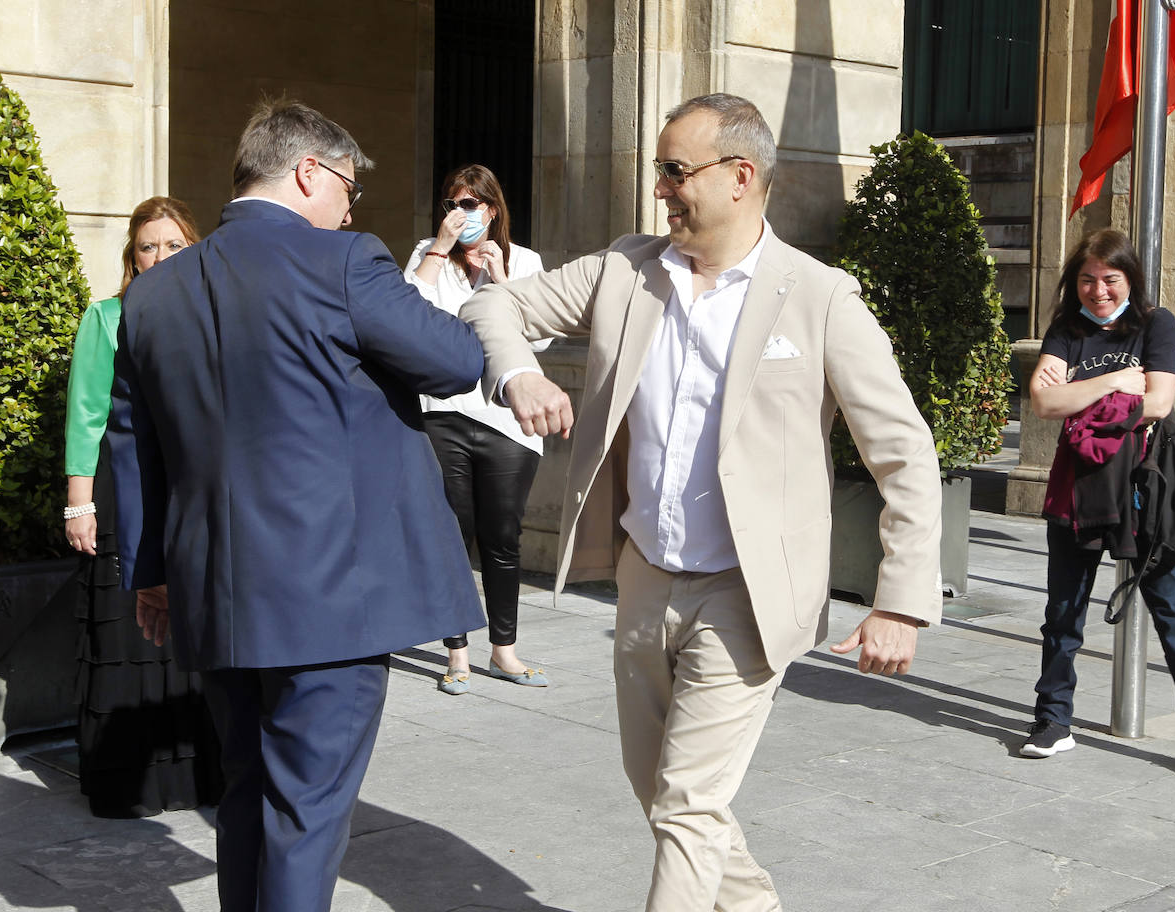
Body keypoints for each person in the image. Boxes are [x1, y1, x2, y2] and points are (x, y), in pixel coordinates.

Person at [461, 93, 943, 910]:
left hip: (747, 594)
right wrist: (521, 373)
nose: (661, 190)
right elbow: (494, 301)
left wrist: (901, 601)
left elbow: (905, 451)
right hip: (644, 575)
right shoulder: (625, 271)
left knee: (686, 803)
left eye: (675, 171)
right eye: (661, 171)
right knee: (665, 795)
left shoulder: (819, 297)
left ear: (740, 177)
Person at [107, 100, 486, 912]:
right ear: (308, 171)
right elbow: (455, 361)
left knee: (246, 794)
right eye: (347, 186)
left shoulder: (151, 295)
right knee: (305, 815)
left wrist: (151, 574)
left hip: (213, 591)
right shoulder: (344, 261)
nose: (352, 207)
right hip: (331, 598)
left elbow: (133, 449)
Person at [1021, 228, 1175, 778]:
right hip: (1079, 490)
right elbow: (1044, 402)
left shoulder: (1156, 324)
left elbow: (1159, 402)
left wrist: (1082, 393)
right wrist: (1120, 379)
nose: (1098, 291)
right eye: (1088, 279)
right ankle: (1053, 720)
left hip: (1146, 491)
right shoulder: (1066, 329)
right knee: (1063, 615)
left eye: (1110, 279)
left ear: (1130, 280)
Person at [64, 196, 224, 818]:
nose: (159, 256)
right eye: (147, 246)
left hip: (192, 489)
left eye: (173, 244)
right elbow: (86, 413)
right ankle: (127, 783)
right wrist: (80, 501)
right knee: (127, 631)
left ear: (195, 247)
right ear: (133, 256)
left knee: (191, 630)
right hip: (122, 489)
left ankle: (196, 775)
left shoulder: (214, 314)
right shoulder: (105, 317)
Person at [404, 164, 549, 695]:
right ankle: (457, 654)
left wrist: (505, 283)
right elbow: (402, 321)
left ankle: (504, 652)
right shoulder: (428, 256)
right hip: (442, 413)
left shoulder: (525, 261)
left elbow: (541, 343)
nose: (461, 215)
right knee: (451, 536)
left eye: (472, 205)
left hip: (507, 421)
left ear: (491, 209)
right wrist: (437, 251)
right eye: (453, 204)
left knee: (502, 537)